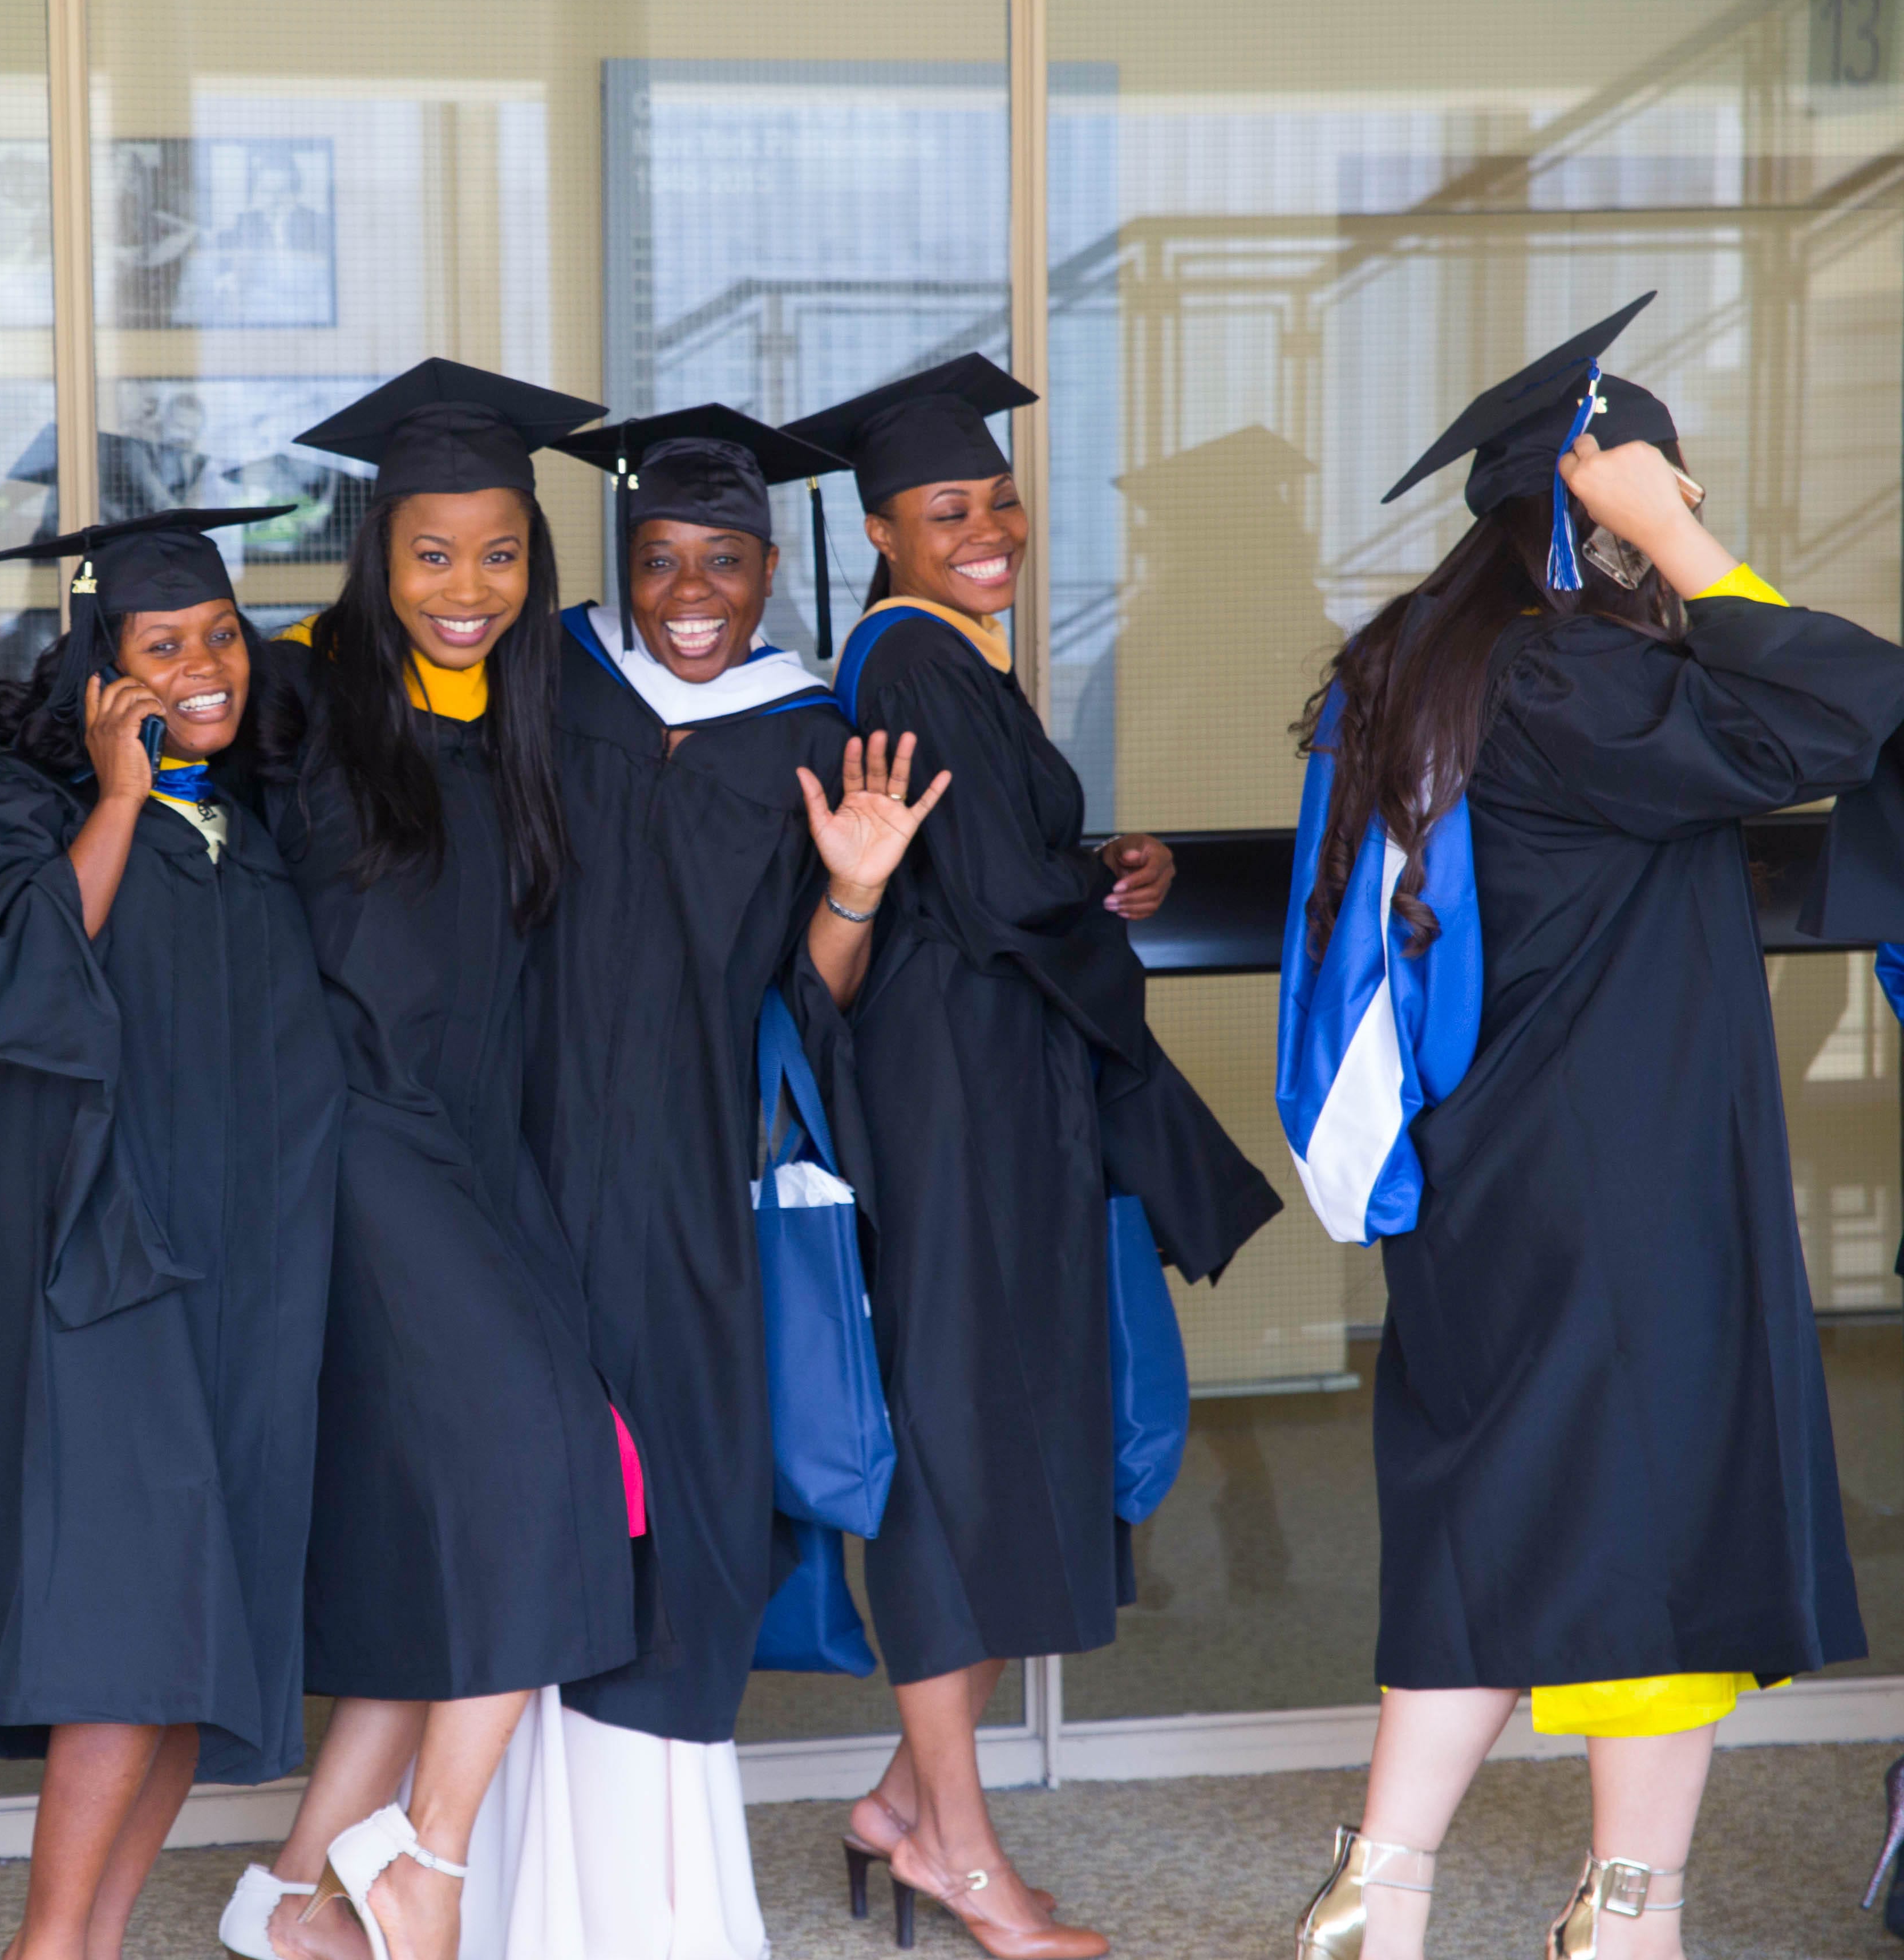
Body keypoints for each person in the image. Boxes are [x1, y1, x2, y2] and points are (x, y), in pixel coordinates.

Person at [1279, 296, 1891, 1960]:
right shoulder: (1572, 673)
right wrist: (1681, 538)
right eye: (1643, 494)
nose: (1670, 523)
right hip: (1615, 1186)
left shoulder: (1411, 661)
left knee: (1501, 1512)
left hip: (1482, 1176)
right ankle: (1631, 1919)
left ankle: (1377, 1887)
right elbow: (1847, 709)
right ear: (1587, 507)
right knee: (1651, 1522)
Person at [783, 355, 1280, 1960]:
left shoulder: (950, 656)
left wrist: (1093, 864)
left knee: (1002, 1445)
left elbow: (998, 864)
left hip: (990, 1091)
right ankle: (963, 1855)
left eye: (998, 498)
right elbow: (993, 895)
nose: (987, 525)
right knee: (950, 1465)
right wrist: (1063, 884)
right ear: (880, 530)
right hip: (955, 1110)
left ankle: (902, 1806)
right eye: (949, 508)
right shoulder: (914, 658)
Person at [451, 406, 946, 1959]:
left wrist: (855, 889)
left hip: (685, 1185)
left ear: (768, 572)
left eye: (723, 561)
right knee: (516, 1490)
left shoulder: (811, 734)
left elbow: (815, 1003)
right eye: (659, 557)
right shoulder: (545, 681)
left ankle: (657, 1911)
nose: (688, 590)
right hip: (513, 1152)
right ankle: (493, 1886)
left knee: (681, 1511)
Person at [224, 359, 636, 1960]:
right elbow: (144, 770)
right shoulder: (299, 699)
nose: (466, 590)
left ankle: (291, 1896)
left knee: (442, 1531)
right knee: (543, 1464)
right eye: (431, 555)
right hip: (357, 1141)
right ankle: (431, 1868)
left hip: (482, 1143)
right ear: (377, 555)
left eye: (500, 555)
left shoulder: (545, 714)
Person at [0, 504, 344, 1960]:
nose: (206, 667)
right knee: (122, 1626)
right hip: (88, 1263)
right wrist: (114, 790)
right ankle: (43, 1949)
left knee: (184, 1642)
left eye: (221, 636)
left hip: (231, 1263)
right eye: (163, 647)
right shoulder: (14, 805)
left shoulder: (252, 812)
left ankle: (87, 1945)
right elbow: (25, 980)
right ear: (100, 669)